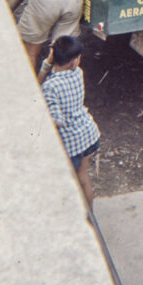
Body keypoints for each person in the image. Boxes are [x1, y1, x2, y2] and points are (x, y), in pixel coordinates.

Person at [38, 35, 100, 207]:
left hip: (70, 144)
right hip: (88, 134)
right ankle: (90, 217)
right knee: (83, 177)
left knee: (67, 184)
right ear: (73, 62)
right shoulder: (77, 73)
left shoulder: (50, 87)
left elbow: (56, 121)